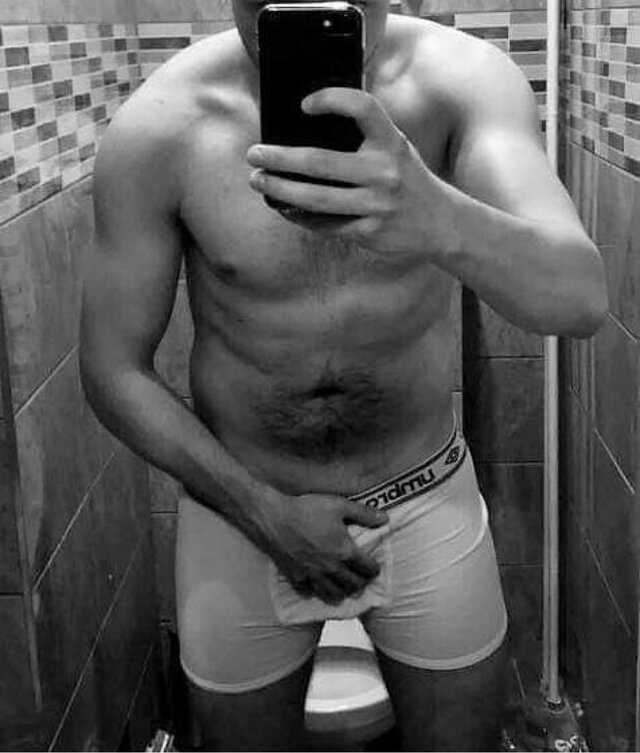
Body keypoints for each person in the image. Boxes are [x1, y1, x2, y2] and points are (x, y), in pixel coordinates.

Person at [79, 0, 608, 748]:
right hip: (241, 513)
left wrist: (436, 217)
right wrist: (264, 512)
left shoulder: (461, 84)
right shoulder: (162, 126)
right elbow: (111, 368)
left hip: (423, 498)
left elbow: (578, 300)